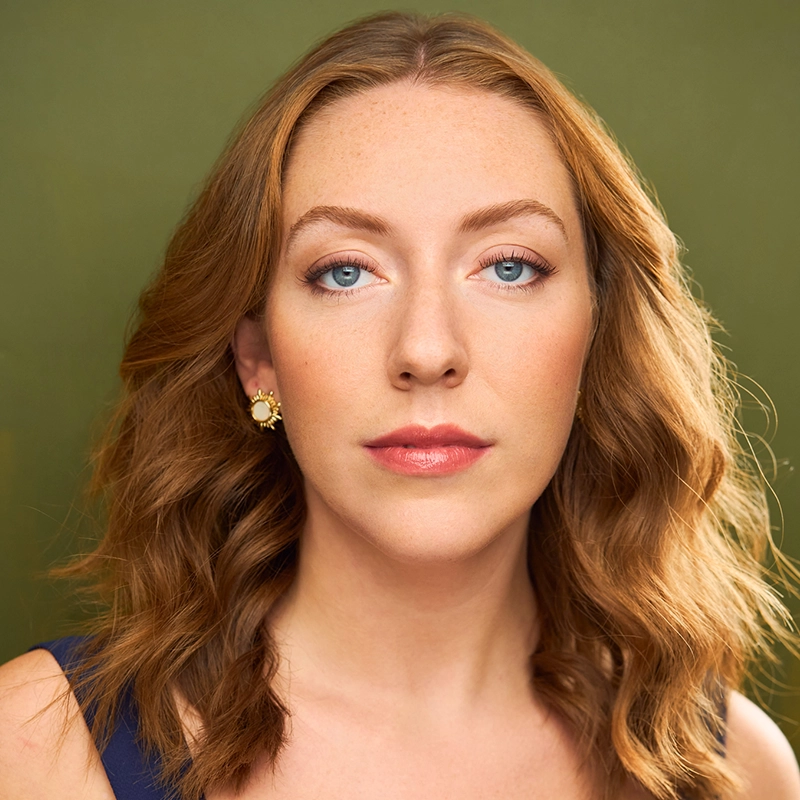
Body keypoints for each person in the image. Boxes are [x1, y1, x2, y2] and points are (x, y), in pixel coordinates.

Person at [1, 10, 798, 800]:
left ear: (596, 338)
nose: (425, 350)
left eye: (509, 267)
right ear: (258, 360)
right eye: (345, 272)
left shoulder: (739, 770)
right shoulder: (33, 750)